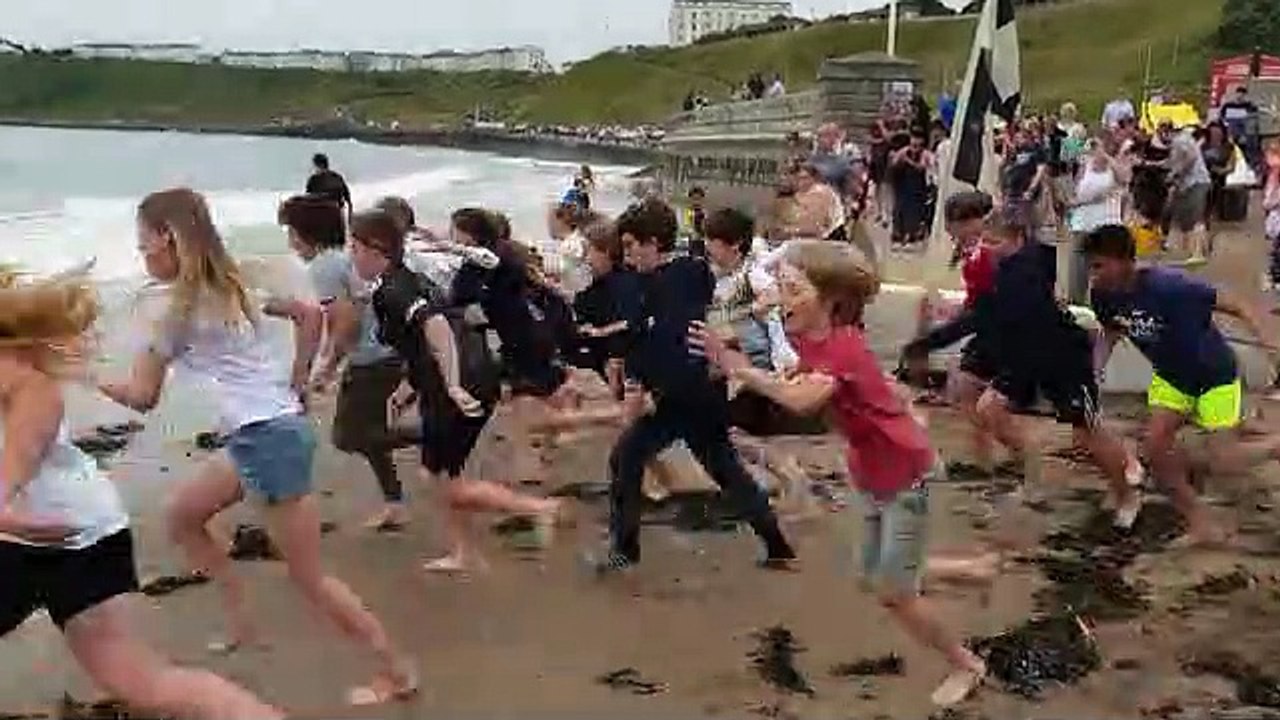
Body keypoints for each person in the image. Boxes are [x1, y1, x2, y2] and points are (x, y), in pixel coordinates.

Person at [97, 188, 416, 706]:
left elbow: (142, 398)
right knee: (182, 516)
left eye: (143, 245)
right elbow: (310, 315)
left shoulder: (172, 311)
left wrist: (88, 377)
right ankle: (243, 622)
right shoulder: (234, 281)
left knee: (310, 578)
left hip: (269, 441)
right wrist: (296, 378)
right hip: (266, 431)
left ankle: (396, 671)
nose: (143, 255)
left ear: (167, 239)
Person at [691, 240, 994, 707]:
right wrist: (743, 333)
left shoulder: (842, 346)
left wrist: (739, 369)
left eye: (793, 290)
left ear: (829, 300)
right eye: (782, 288)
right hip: (871, 470)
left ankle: (967, 664)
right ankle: (971, 569)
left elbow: (801, 401)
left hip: (904, 474)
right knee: (871, 576)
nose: (782, 297)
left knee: (894, 594)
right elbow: (784, 361)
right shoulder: (806, 335)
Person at [0, 268, 283, 720]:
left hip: (55, 537)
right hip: (76, 529)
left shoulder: (25, 384)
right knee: (144, 684)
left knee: (143, 681)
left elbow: (10, 476)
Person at [585, 198, 796, 575]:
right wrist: (631, 370)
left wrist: (646, 389)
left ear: (653, 243)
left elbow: (673, 338)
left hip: (687, 392)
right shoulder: (668, 277)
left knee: (630, 458)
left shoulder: (678, 277)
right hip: (690, 393)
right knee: (723, 469)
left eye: (632, 246)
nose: (628, 255)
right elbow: (642, 333)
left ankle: (625, 550)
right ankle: (776, 543)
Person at [348, 210, 564, 574]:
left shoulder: (394, 290)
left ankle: (537, 510)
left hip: (460, 385)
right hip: (471, 376)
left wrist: (450, 383)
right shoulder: (407, 279)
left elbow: (437, 329)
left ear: (376, 249)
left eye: (354, 247)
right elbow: (421, 343)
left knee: (441, 481)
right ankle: (463, 551)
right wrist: (408, 387)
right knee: (443, 477)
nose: (351, 255)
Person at [1085, 224, 1276, 546]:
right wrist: (1096, 368)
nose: (1093, 274)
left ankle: (1273, 444)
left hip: (1215, 376)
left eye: (1099, 265)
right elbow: (1112, 331)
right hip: (1171, 377)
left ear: (1124, 261)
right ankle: (1199, 522)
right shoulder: (1102, 294)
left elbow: (1237, 305)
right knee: (1156, 449)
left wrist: (1268, 342)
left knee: (1223, 463)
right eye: (1091, 266)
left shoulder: (1172, 287)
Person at [965, 206, 1140, 528]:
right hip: (1028, 357)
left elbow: (1015, 315)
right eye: (984, 241)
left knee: (1088, 436)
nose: (985, 248)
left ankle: (1127, 492)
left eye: (993, 241)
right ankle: (1032, 478)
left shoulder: (1027, 269)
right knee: (989, 407)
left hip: (1064, 361)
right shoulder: (1009, 269)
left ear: (1016, 239)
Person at [275, 195, 408, 531]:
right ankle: (394, 503)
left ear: (306, 234)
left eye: (291, 233)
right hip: (386, 352)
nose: (290, 242)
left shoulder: (323, 267)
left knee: (349, 437)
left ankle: (434, 433)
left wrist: (328, 366)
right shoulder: (339, 259)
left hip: (373, 359)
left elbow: (346, 319)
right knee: (370, 434)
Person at [1064, 140, 1123, 303]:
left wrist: (1108, 158)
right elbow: (1075, 192)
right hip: (1083, 221)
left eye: (1098, 148)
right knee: (1078, 266)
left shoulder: (1113, 169)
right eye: (1093, 149)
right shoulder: (1085, 167)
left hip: (1105, 222)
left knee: (1104, 266)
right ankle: (1076, 301)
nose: (1095, 153)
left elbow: (1125, 179)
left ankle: (1105, 302)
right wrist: (1079, 202)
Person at [1158, 121, 1213, 264]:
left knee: (1196, 218)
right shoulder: (1181, 141)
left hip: (1195, 183)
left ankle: (1198, 253)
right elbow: (1172, 161)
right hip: (1189, 185)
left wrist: (1176, 173)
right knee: (1187, 219)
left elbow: (1191, 157)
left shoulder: (1179, 140)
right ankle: (1197, 251)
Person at [889, 129, 934, 248]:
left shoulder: (925, 154)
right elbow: (894, 164)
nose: (915, 145)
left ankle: (913, 237)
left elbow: (923, 167)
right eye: (913, 141)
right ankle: (898, 236)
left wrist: (909, 161)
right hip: (903, 185)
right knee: (899, 209)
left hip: (918, 187)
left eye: (918, 142)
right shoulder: (904, 151)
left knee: (915, 212)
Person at [1200, 122, 1238, 230]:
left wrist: (1222, 170)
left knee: (1212, 187)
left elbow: (1231, 166)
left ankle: (1208, 215)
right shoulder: (1203, 146)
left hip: (1218, 176)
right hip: (1203, 174)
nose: (1215, 134)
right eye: (1213, 132)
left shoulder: (1229, 147)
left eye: (1218, 132)